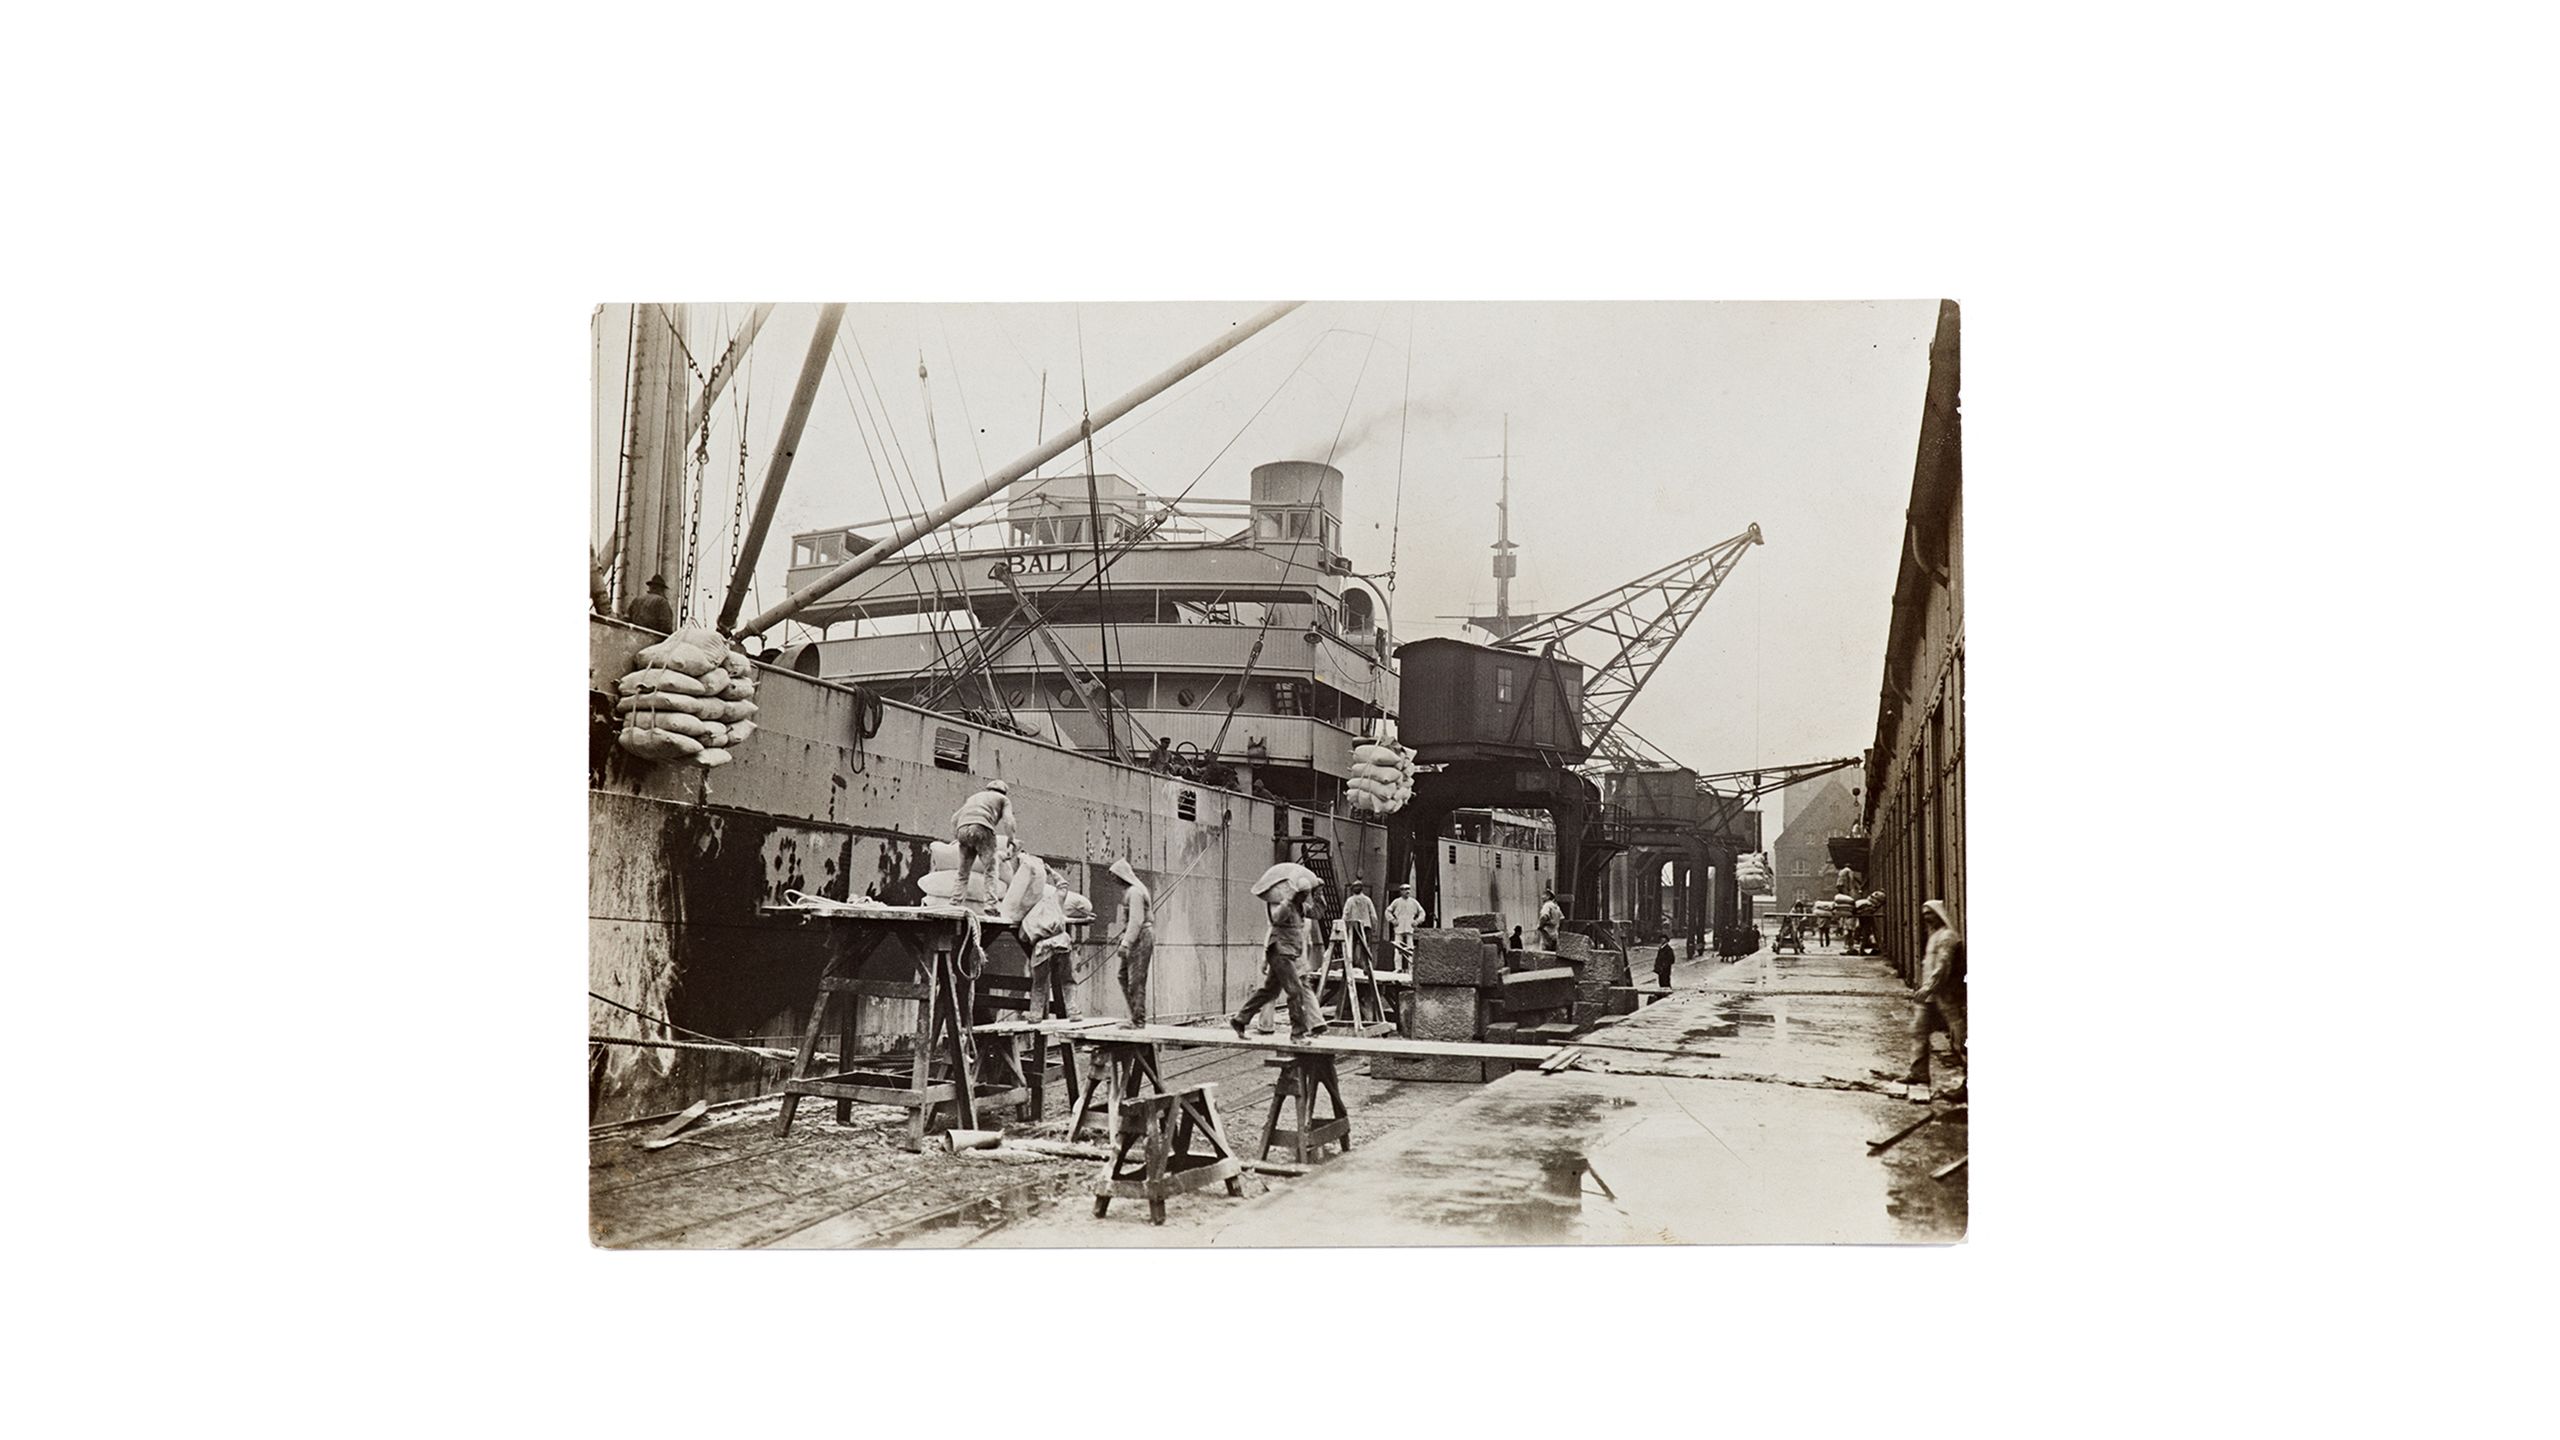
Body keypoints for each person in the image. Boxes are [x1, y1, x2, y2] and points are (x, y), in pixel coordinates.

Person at [1233, 875, 1325, 1042]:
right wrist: (1288, 900)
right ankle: (1298, 1033)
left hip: (1289, 953)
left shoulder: (1301, 907)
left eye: (1308, 894)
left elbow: (1318, 913)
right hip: (1280, 952)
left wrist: (1319, 893)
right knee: (1295, 990)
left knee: (1270, 991)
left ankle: (1239, 1020)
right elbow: (1277, 918)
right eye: (1304, 894)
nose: (1306, 897)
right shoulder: (1286, 905)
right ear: (1297, 893)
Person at [1901, 899, 1968, 1093]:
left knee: (1960, 1039)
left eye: (1929, 913)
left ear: (1938, 914)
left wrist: (1929, 987)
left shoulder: (1947, 937)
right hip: (1930, 997)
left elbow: (1942, 967)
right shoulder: (1935, 936)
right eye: (1924, 914)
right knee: (1918, 1031)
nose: (1926, 917)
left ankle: (1968, 1085)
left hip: (1946, 996)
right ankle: (1918, 1072)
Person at [949, 780, 1015, 902]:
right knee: (990, 870)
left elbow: (954, 819)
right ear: (1004, 792)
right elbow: (1009, 821)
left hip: (962, 829)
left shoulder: (974, 797)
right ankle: (991, 906)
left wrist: (956, 838)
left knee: (962, 872)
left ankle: (954, 903)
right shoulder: (1003, 799)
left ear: (988, 789)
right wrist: (1011, 840)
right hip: (982, 829)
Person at [1107, 857, 1153, 1028]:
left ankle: (1138, 1020)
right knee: (1124, 976)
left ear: (1121, 875)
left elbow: (1136, 920)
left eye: (1114, 876)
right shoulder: (1133, 891)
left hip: (1141, 937)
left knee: (1136, 980)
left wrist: (1126, 943)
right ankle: (1134, 1015)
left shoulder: (1134, 892)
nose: (1113, 880)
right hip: (1137, 936)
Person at [1339, 878, 1377, 975]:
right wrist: (1374, 927)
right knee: (1365, 947)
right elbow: (1373, 915)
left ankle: (1349, 967)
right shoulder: (1367, 900)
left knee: (1352, 946)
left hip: (1353, 927)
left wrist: (1342, 926)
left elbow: (1345, 914)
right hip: (1365, 926)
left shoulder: (1350, 900)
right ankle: (1366, 967)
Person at [1384, 883, 1426, 969]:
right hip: (1399, 927)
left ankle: (1411, 968)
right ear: (1401, 891)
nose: (1407, 891)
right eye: (1405, 889)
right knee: (1398, 948)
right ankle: (1398, 968)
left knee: (1410, 948)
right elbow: (1387, 911)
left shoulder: (1414, 902)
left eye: (1408, 889)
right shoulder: (1396, 902)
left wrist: (1417, 921)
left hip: (1410, 928)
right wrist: (1393, 920)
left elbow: (1422, 912)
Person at [1537, 885, 1564, 955]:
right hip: (1555, 934)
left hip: (1547, 934)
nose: (1542, 897)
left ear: (1548, 896)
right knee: (1554, 955)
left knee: (1545, 956)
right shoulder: (1556, 907)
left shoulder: (1547, 905)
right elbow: (1562, 918)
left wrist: (1540, 926)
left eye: (1544, 895)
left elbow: (1544, 916)